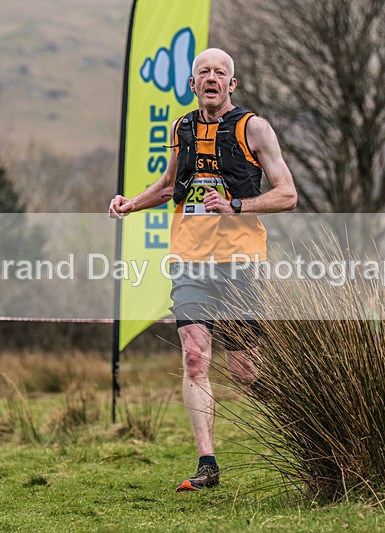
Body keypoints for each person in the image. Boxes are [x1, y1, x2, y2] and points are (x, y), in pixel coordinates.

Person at [108, 48, 297, 492]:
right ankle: (207, 464)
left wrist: (235, 205)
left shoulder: (255, 128)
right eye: (203, 72)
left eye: (220, 72)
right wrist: (132, 203)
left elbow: (287, 195)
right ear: (192, 84)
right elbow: (172, 185)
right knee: (194, 357)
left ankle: (300, 413)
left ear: (232, 84)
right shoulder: (182, 128)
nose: (211, 78)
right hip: (189, 260)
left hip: (240, 261)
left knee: (245, 370)